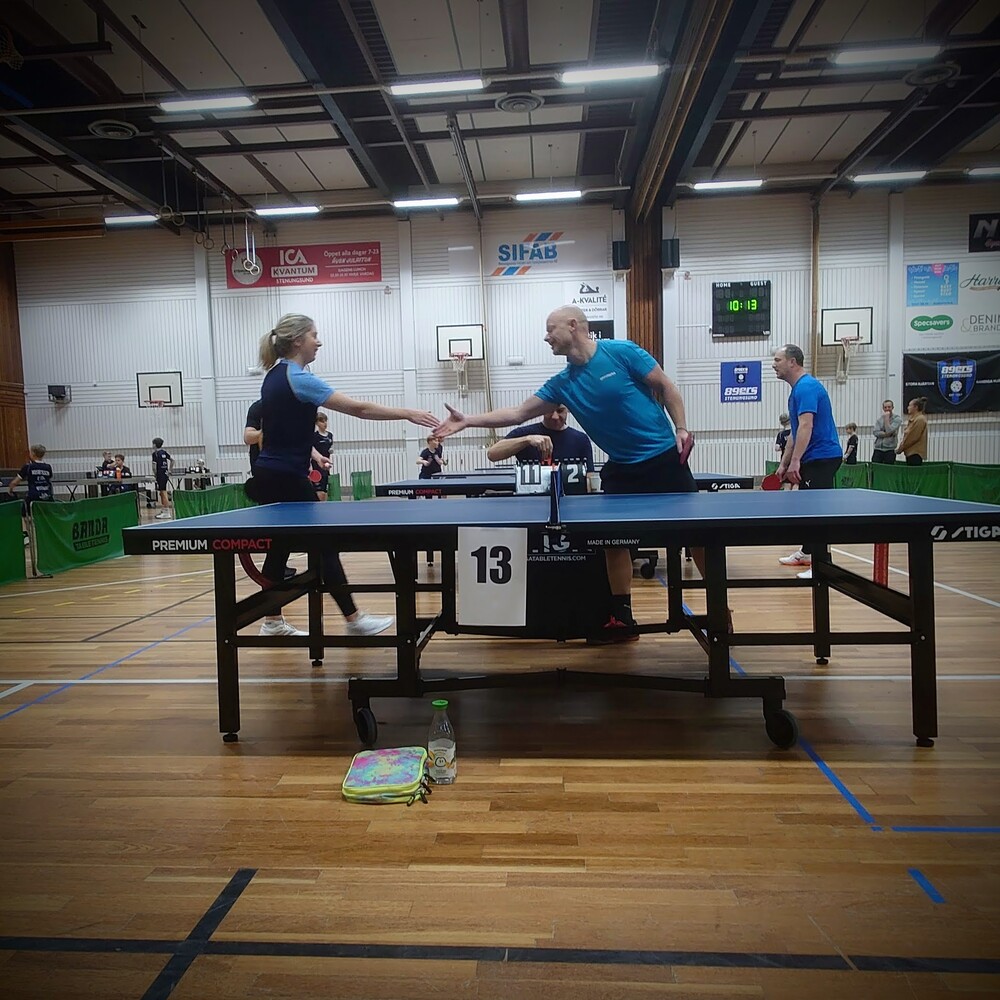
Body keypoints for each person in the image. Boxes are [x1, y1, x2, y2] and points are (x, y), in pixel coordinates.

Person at [433, 304, 699, 643]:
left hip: (663, 458)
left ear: (573, 325)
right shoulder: (563, 384)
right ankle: (621, 617)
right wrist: (468, 420)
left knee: (698, 536)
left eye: (550, 329)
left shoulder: (622, 352)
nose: (546, 337)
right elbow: (517, 413)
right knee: (613, 543)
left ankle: (720, 611)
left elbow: (667, 387)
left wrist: (681, 428)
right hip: (621, 467)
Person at [250, 312, 437, 638]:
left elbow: (282, 430)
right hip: (286, 477)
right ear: (298, 341)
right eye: (314, 335)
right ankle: (354, 619)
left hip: (269, 473)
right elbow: (358, 409)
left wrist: (313, 454)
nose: (319, 342)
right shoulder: (299, 378)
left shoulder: (273, 375)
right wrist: (408, 413)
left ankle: (272, 621)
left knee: (279, 549)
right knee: (324, 546)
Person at [773, 344, 843, 580]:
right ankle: (807, 553)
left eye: (778, 360)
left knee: (818, 512)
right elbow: (795, 432)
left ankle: (822, 564)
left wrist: (796, 461)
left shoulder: (807, 387)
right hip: (814, 457)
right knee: (809, 510)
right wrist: (784, 463)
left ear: (792, 362)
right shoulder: (797, 390)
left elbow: (806, 425)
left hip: (822, 457)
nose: (774, 365)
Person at [486, 403, 595, 470]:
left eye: (560, 411)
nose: (555, 417)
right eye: (549, 411)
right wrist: (527, 440)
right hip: (532, 499)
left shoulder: (581, 440)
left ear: (568, 410)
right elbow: (492, 454)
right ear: (541, 411)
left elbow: (590, 477)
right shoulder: (525, 433)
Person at [10, 445, 54, 545]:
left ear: (33, 454)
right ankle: (47, 535)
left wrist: (10, 488)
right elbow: (49, 478)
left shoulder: (28, 467)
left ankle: (26, 535)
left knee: (23, 514)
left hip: (34, 496)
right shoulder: (48, 467)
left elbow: (15, 481)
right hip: (47, 496)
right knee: (45, 516)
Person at [896, 397, 928, 465]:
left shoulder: (920, 419)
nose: (908, 408)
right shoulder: (913, 419)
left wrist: (901, 448)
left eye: (909, 405)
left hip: (915, 453)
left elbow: (912, 437)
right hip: (909, 453)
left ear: (915, 407)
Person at [312, 412, 335, 500]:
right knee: (319, 491)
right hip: (316, 467)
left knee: (325, 491)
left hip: (325, 466)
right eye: (322, 421)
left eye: (325, 421)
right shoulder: (314, 436)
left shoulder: (330, 435)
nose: (325, 423)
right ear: (317, 423)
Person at [151, 437, 173, 519]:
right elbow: (172, 460)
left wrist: (155, 474)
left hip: (160, 474)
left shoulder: (155, 454)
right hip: (165, 474)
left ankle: (167, 512)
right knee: (161, 492)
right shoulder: (164, 452)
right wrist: (169, 470)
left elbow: (154, 467)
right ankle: (164, 510)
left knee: (163, 492)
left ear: (154, 445)